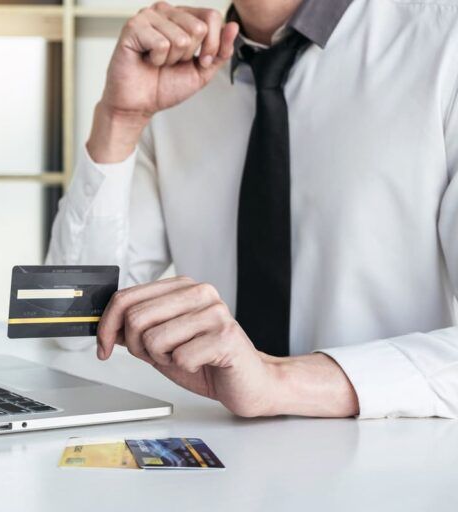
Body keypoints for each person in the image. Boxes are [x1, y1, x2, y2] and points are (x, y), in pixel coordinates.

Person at [46, 0, 458, 419]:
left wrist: (278, 382)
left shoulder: (445, 44)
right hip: (223, 459)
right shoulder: (173, 77)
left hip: (398, 459)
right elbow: (74, 325)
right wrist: (120, 119)